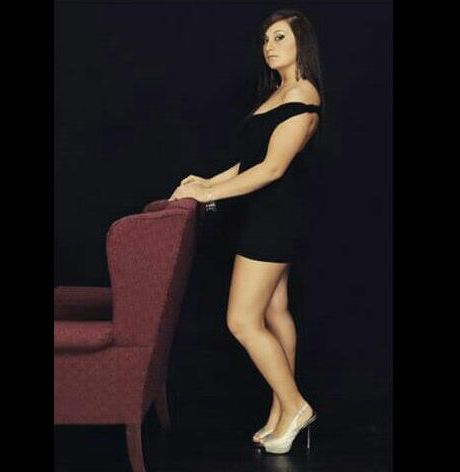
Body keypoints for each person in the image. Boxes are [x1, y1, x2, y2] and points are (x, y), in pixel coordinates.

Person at [168, 8, 324, 455]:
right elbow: (250, 162)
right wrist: (207, 182)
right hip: (267, 213)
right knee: (275, 312)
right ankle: (281, 414)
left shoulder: (303, 95)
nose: (269, 46)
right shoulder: (277, 93)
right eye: (266, 40)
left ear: (301, 43)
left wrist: (207, 195)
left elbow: (272, 169)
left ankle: (295, 406)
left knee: (241, 319)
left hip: (277, 216)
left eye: (280, 37)